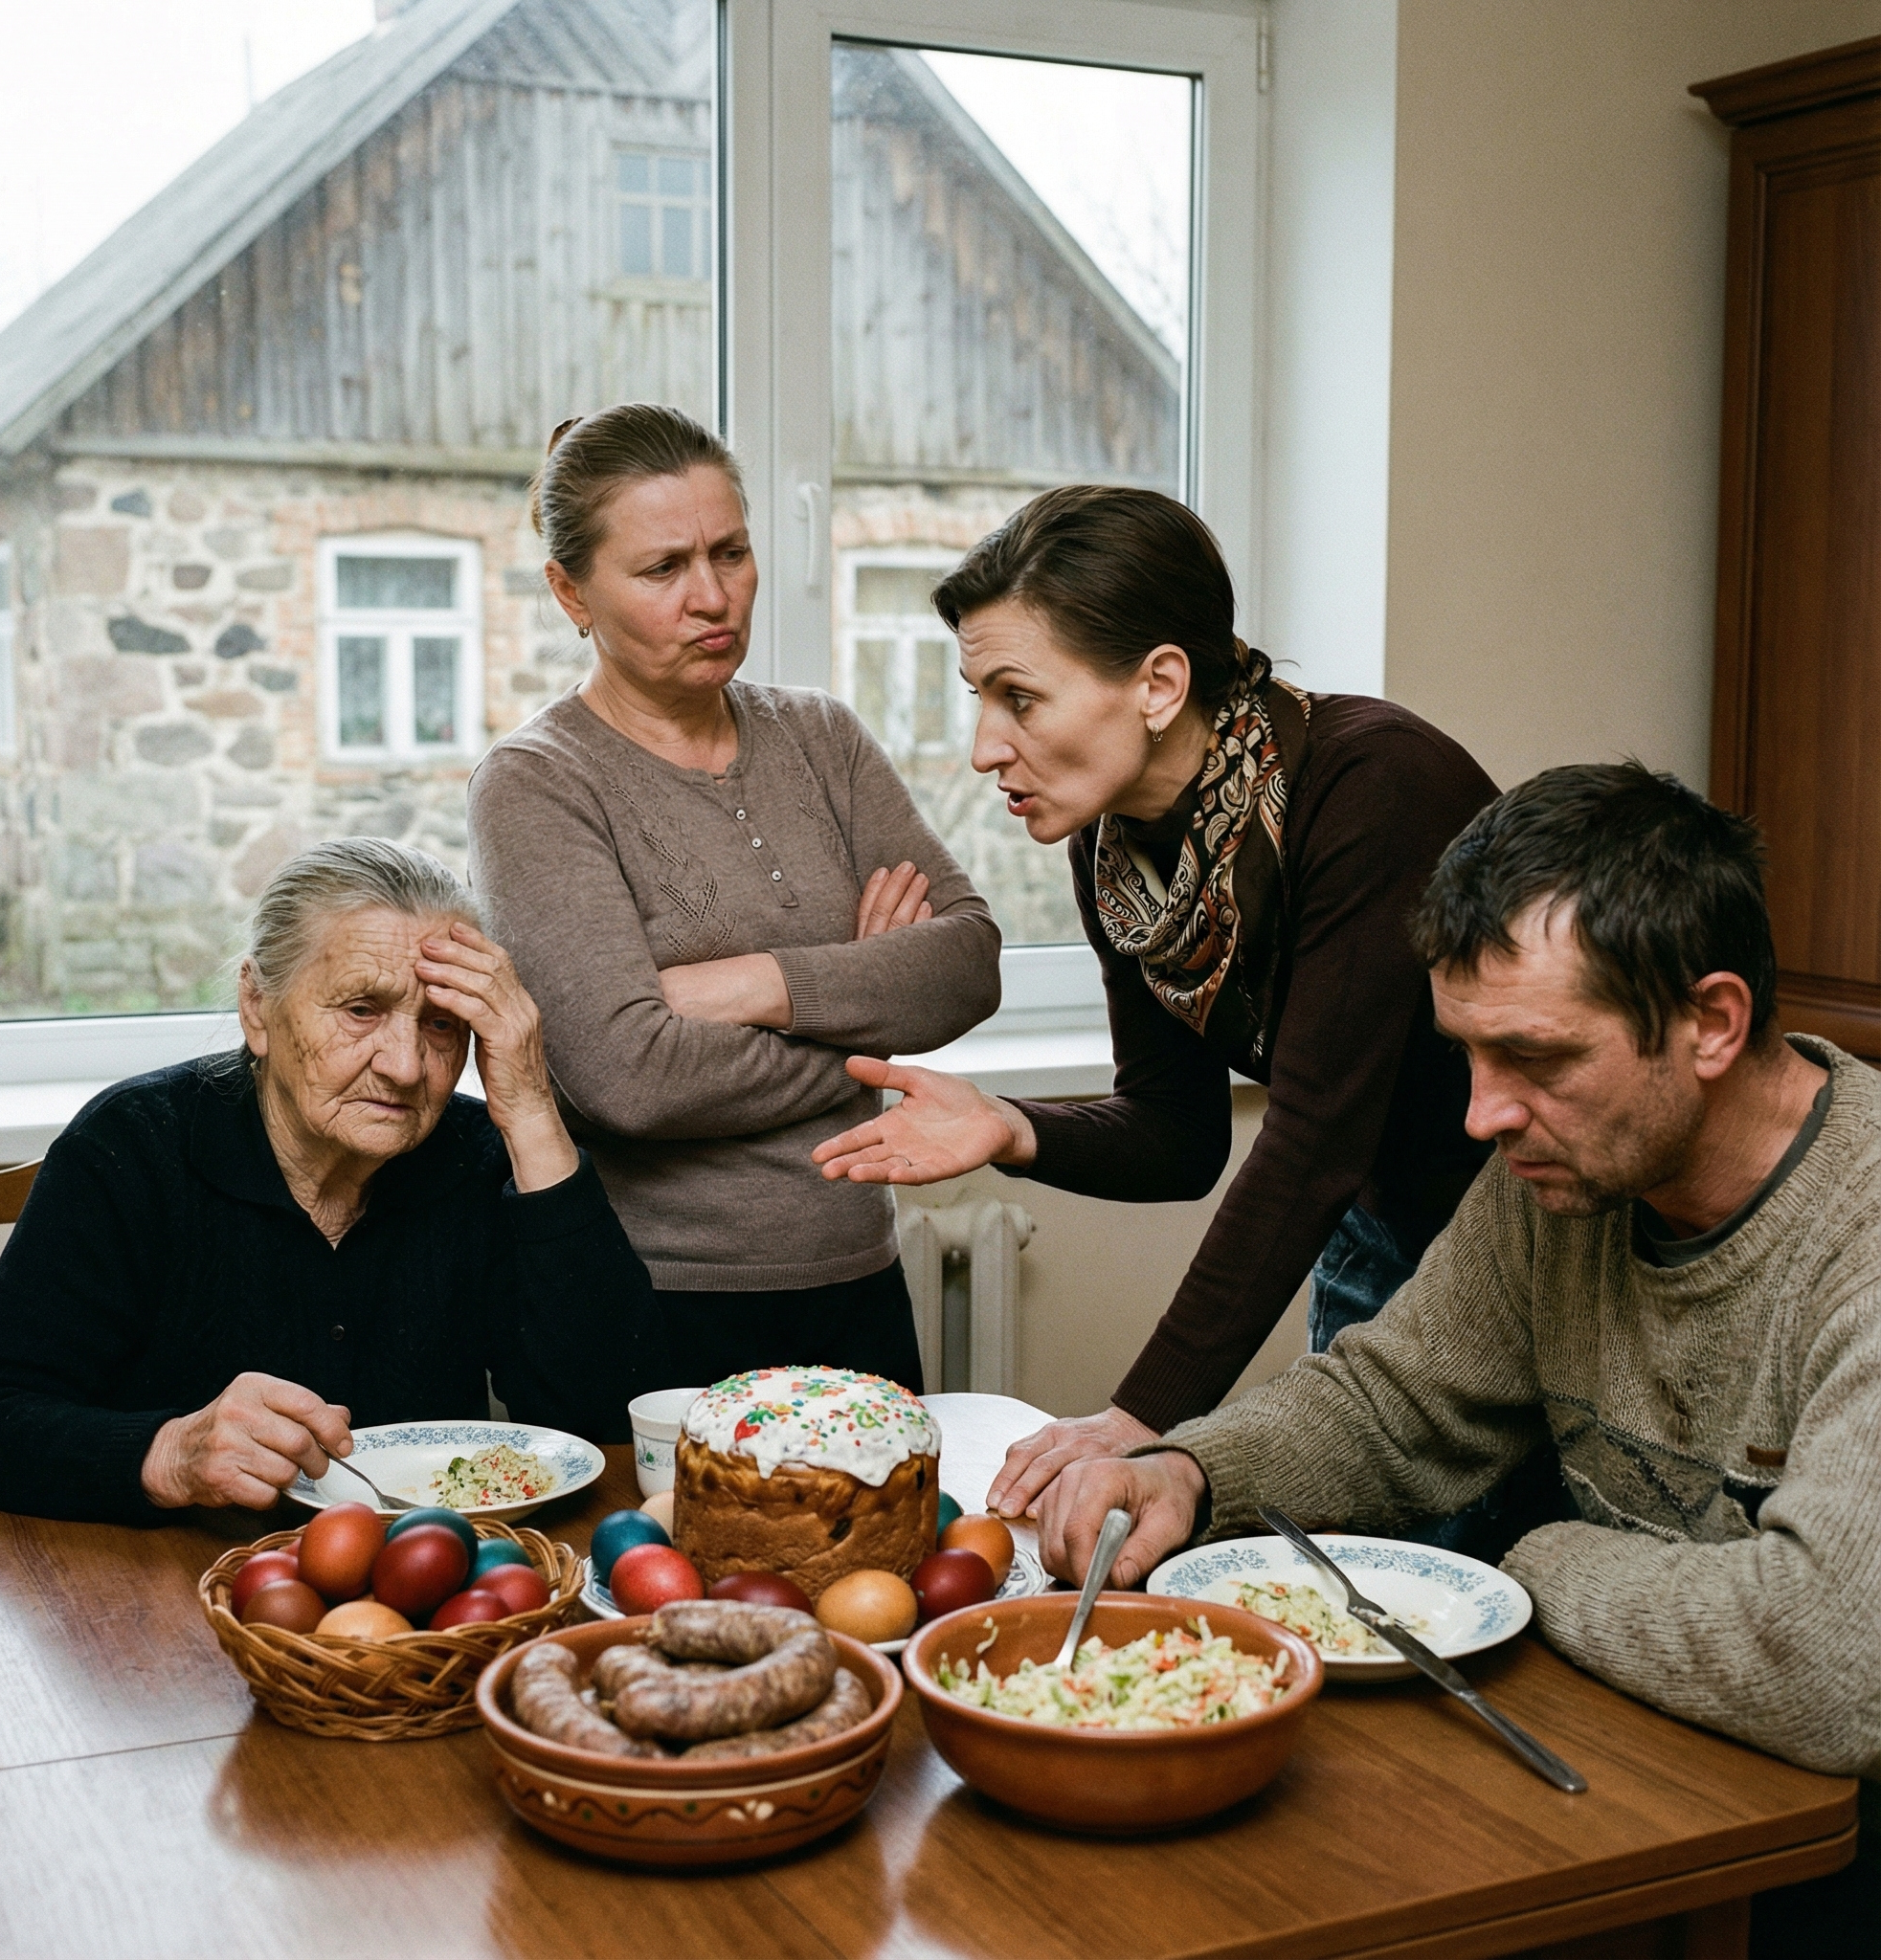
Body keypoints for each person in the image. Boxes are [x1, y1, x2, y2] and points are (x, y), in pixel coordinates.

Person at [1032, 765, 1879, 1951]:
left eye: (1535, 1057)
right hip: (1645, 1770)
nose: (1481, 1113)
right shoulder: (1561, 1182)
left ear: (1711, 1022)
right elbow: (1394, 1403)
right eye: (1466, 1055)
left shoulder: (1860, 1230)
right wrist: (1190, 1471)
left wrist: (1526, 1562)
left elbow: (1831, 1658)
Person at [811, 485, 1506, 1532]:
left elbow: (1313, 1139)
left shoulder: (1372, 788)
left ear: (1158, 682)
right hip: (1371, 1225)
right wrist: (1011, 1125)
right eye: (977, 697)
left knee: (1482, 1581)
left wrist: (1140, 1415)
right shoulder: (1118, 851)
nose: (984, 745)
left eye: (1019, 696)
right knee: (1367, 1576)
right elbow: (1178, 1137)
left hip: (1521, 1236)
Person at [468, 404, 1000, 1392]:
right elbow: (622, 1075)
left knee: (882, 1554)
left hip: (858, 1281)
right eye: (662, 568)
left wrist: (751, 982)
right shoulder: (537, 781)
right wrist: (864, 1027)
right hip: (656, 1308)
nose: (712, 597)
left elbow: (968, 961)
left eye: (731, 552)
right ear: (568, 589)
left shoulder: (823, 739)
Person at [0, 838, 664, 1526]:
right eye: (361, 1009)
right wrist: (171, 1455)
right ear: (258, 1007)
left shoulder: (477, 1155)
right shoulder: (134, 1145)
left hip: (418, 1599)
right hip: (165, 1584)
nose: (405, 1066)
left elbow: (598, 1415)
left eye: (442, 1025)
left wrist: (532, 1111)